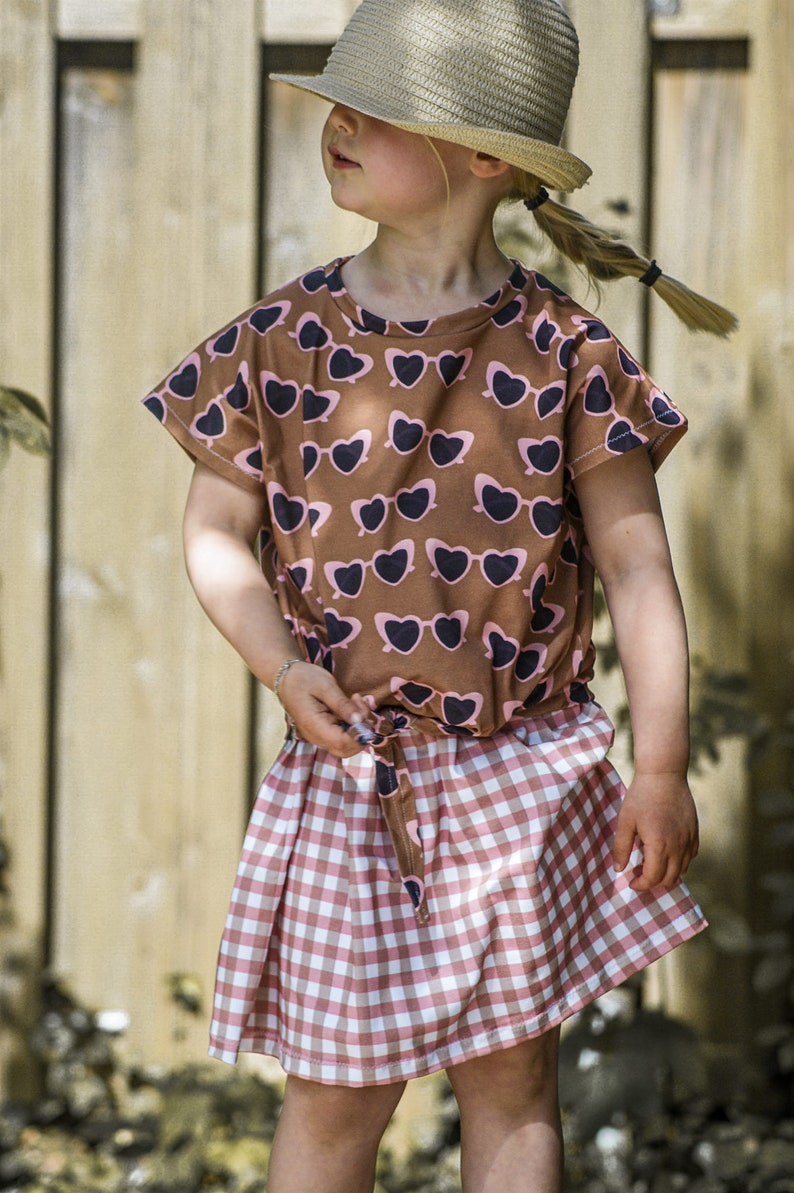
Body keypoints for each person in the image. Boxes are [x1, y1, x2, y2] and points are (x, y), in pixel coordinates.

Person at [144, 2, 733, 1189]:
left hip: (524, 769)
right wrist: (279, 662)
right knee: (334, 1091)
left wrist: (658, 764)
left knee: (512, 1082)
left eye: (379, 107)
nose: (337, 123)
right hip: (354, 769)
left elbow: (637, 571)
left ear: (481, 155)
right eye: (335, 100)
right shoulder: (281, 340)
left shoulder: (566, 354)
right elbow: (215, 535)